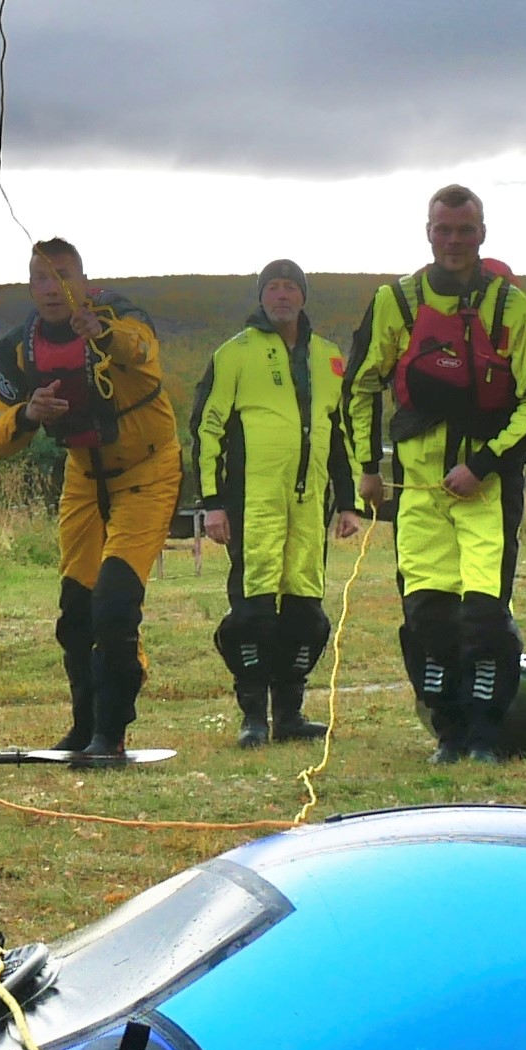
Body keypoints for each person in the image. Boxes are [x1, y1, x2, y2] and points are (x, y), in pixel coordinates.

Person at [338, 185, 526, 766]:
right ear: (429, 232)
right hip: (418, 492)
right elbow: (361, 385)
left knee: (484, 617)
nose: (455, 241)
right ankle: (448, 732)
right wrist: (366, 468)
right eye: (444, 230)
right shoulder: (398, 302)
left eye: (465, 230)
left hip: (486, 490)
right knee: (428, 618)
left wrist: (485, 463)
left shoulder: (511, 305)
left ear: (482, 233)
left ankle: (487, 735)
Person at [0, 235, 177, 766]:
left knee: (115, 602)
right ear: (30, 286)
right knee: (76, 610)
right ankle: (84, 725)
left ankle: (111, 733)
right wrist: (27, 415)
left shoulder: (121, 316)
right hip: (84, 478)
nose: (53, 288)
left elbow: (143, 351)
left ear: (84, 282)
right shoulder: (16, 348)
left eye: (64, 276)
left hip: (147, 470)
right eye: (42, 278)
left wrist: (104, 335)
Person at [192, 257, 357, 746]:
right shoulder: (234, 354)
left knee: (306, 613)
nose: (282, 296)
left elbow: (341, 433)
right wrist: (212, 502)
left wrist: (346, 502)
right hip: (252, 503)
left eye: (291, 288)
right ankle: (253, 718)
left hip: (308, 506)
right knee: (253, 613)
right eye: (273, 288)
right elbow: (206, 428)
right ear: (260, 297)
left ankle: (289, 714)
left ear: (303, 297)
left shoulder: (328, 358)